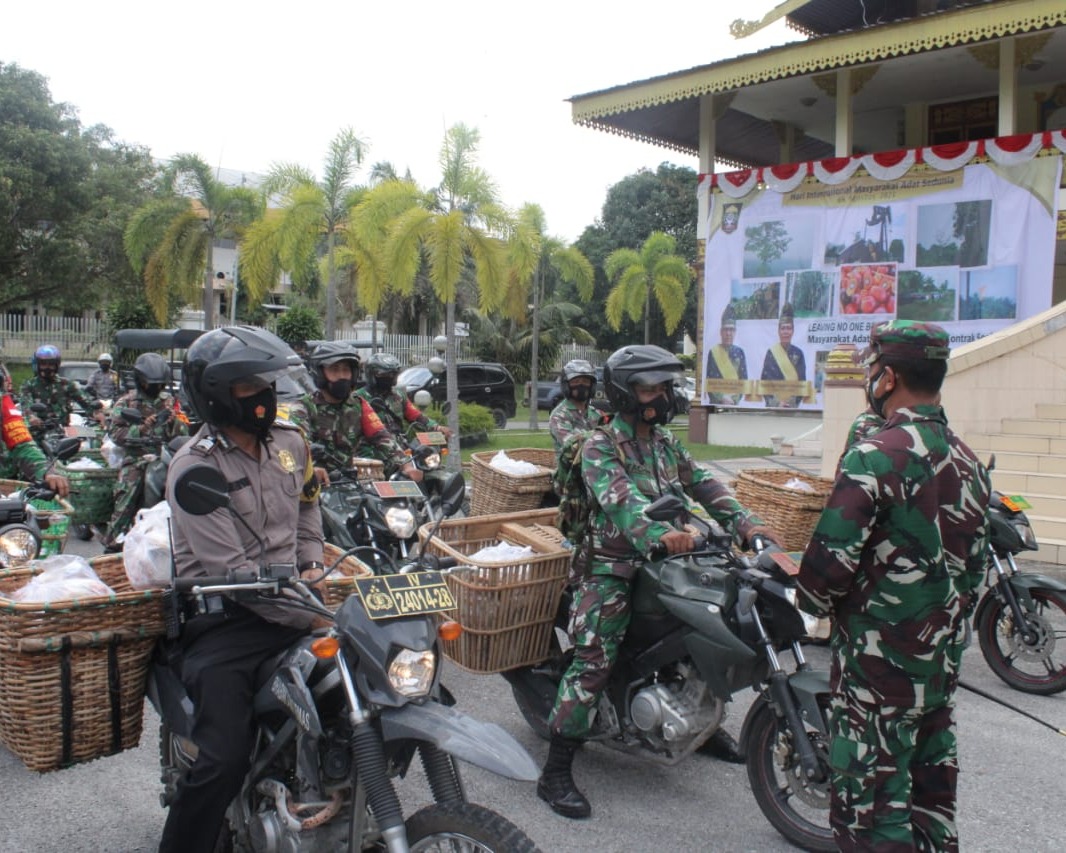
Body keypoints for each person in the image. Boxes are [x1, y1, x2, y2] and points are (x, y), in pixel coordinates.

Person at [537, 344, 778, 820]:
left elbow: (704, 483)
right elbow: (620, 500)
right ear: (626, 392)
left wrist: (748, 524)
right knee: (592, 662)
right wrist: (659, 534)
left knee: (709, 627)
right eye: (652, 387)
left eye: (666, 386)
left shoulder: (665, 442)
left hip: (664, 563)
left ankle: (699, 723)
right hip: (609, 568)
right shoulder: (598, 443)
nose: (663, 396)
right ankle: (556, 770)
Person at [796, 320, 991, 852]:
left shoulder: (874, 455)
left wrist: (807, 600)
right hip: (939, 669)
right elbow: (973, 571)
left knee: (873, 814)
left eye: (872, 368)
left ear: (887, 378)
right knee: (930, 805)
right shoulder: (970, 461)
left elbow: (824, 572)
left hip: (876, 676)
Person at [159, 325, 327, 853]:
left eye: (265, 381)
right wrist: (317, 614)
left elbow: (307, 507)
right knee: (222, 759)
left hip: (295, 605)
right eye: (246, 385)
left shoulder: (292, 443)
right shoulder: (195, 467)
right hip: (225, 623)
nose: (263, 394)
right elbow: (232, 571)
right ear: (215, 395)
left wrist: (314, 564)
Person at [288, 341, 417, 484]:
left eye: (346, 370)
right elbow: (298, 445)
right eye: (335, 370)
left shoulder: (358, 404)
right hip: (317, 485)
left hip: (350, 483)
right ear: (320, 373)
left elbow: (382, 436)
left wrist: (406, 466)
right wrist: (311, 468)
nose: (342, 376)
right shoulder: (303, 406)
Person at [99, 353, 187, 553]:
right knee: (127, 492)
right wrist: (142, 428)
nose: (156, 388)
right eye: (151, 383)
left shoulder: (169, 401)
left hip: (165, 455)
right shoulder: (127, 402)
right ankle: (112, 543)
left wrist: (174, 421)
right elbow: (114, 432)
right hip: (136, 458)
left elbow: (183, 432)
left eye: (159, 384)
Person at [354, 351, 452, 475]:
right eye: (388, 374)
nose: (392, 377)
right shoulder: (358, 398)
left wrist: (436, 427)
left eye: (395, 373)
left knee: (427, 467)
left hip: (400, 449)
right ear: (373, 375)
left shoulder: (398, 396)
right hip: (370, 452)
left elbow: (416, 415)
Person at [20, 344, 104, 442]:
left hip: (64, 432)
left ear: (56, 365)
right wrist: (32, 417)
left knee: (94, 437)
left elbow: (85, 401)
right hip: (39, 434)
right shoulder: (29, 385)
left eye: (51, 364)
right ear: (37, 365)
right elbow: (26, 406)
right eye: (44, 364)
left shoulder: (66, 384)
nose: (47, 368)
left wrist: (97, 413)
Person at [548, 359, 607, 458]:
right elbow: (572, 444)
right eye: (576, 381)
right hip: (571, 470)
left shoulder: (597, 413)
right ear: (566, 385)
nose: (581, 385)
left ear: (592, 386)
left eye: (585, 381)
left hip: (598, 467)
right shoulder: (559, 416)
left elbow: (612, 431)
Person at [759, 304, 808, 408]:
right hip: (773, 407)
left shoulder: (798, 354)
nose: (786, 332)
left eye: (789, 328)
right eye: (783, 328)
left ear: (793, 331)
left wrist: (790, 403)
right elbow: (765, 383)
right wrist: (777, 403)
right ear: (778, 331)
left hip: (792, 408)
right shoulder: (771, 353)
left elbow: (802, 384)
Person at [704, 304, 748, 405]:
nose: (728, 333)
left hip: (734, 404)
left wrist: (734, 399)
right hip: (717, 405)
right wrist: (722, 398)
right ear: (721, 332)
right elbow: (710, 382)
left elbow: (744, 381)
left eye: (731, 330)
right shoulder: (713, 352)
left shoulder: (740, 352)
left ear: (735, 332)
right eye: (726, 329)